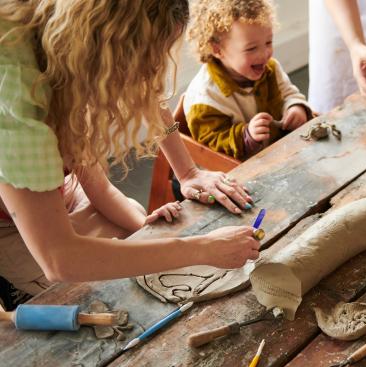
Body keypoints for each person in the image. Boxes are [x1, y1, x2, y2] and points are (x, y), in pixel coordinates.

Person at [0, 0, 260, 304]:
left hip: (55, 190)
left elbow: (101, 190)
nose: (150, 74)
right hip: (9, 226)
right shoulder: (18, 99)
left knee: (134, 222)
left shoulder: (70, 48)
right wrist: (200, 249)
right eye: (144, 61)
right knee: (90, 296)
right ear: (110, 51)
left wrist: (185, 175)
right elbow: (59, 259)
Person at [184, 0, 313, 161]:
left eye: (268, 42)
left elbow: (288, 92)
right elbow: (212, 145)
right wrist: (247, 135)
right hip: (238, 173)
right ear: (217, 50)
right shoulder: (205, 98)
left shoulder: (270, 68)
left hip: (280, 154)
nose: (265, 54)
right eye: (251, 48)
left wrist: (295, 107)